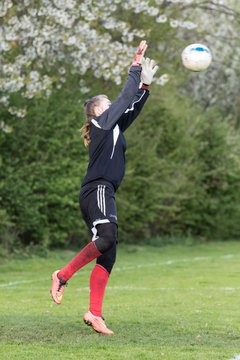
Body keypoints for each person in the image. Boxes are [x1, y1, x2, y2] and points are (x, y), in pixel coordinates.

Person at [51, 40, 158, 335]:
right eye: (107, 105)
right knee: (108, 237)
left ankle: (94, 313)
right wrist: (135, 66)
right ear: (97, 113)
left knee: (108, 252)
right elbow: (125, 99)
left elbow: (130, 109)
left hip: (104, 192)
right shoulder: (101, 126)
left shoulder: (112, 127)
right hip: (96, 190)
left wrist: (145, 88)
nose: (113, 106)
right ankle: (62, 275)